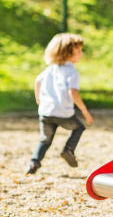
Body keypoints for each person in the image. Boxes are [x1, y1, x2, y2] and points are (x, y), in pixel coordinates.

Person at [26, 33, 93, 174]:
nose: (82, 53)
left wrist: (38, 99)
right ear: (68, 53)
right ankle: (68, 150)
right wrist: (84, 111)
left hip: (46, 112)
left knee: (45, 140)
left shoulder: (50, 68)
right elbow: (73, 93)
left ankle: (34, 163)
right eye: (79, 51)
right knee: (79, 127)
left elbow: (37, 82)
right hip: (63, 113)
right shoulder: (72, 72)